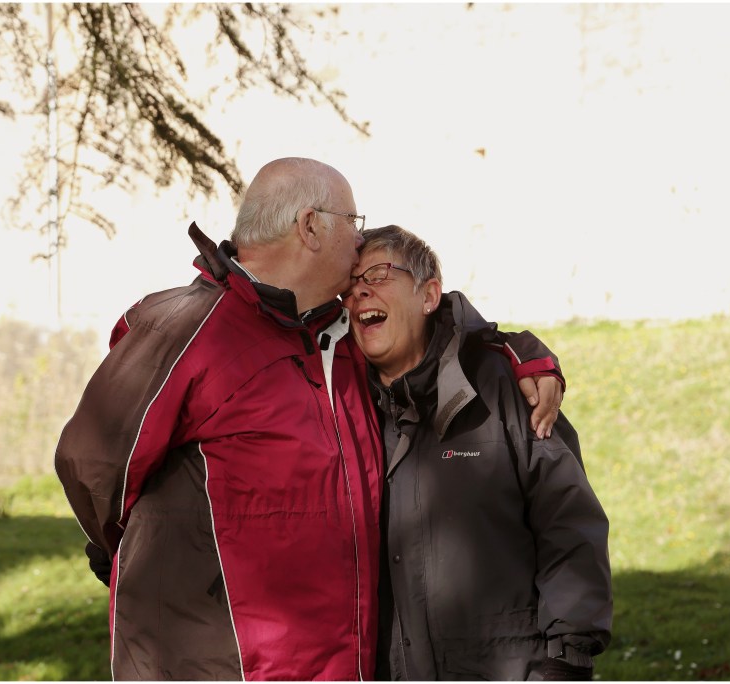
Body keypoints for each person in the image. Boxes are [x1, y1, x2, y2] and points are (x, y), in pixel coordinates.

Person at [54, 158, 567, 680]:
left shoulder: (342, 335)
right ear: (311, 227)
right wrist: (135, 557)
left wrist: (518, 354)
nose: (360, 242)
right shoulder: (186, 327)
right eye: (354, 223)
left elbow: (434, 335)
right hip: (220, 668)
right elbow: (92, 465)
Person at [343, 225, 612, 681]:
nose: (360, 291)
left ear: (429, 295)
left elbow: (568, 523)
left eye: (380, 273)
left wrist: (565, 660)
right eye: (349, 285)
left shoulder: (504, 384)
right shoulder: (341, 405)